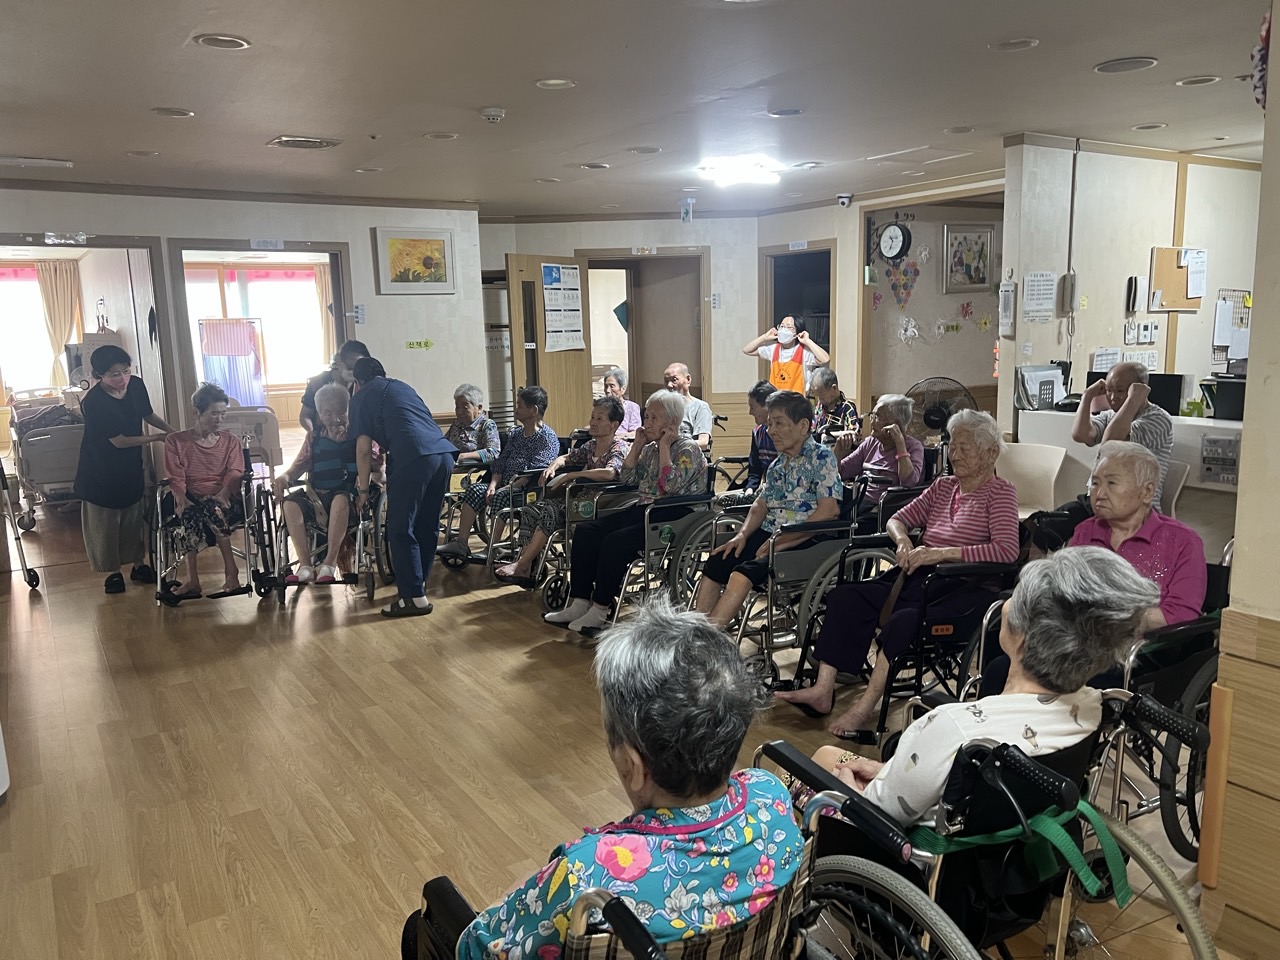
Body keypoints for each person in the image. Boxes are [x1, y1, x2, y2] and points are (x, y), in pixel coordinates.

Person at [401, 596, 805, 960]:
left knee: (423, 925)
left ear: (632, 766)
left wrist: (526, 894)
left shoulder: (590, 880)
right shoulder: (771, 796)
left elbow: (480, 949)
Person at [808, 548, 1159, 828]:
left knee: (820, 760)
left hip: (899, 850)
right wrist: (889, 773)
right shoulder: (1094, 706)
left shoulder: (951, 728)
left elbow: (879, 814)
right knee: (835, 756)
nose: (1005, 604)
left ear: (1022, 638)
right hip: (996, 835)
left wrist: (849, 783)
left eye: (1015, 597)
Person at [776, 409, 1019, 735]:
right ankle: (822, 691)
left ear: (990, 453)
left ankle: (863, 709)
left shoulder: (1000, 493)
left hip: (963, 589)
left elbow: (1006, 551)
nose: (955, 454)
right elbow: (897, 519)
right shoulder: (943, 486)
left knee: (904, 621)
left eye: (965, 447)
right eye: (952, 445)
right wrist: (903, 541)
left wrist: (941, 554)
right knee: (846, 596)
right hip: (918, 578)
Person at [545, 390, 707, 634]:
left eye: (653, 418)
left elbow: (670, 486)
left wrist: (665, 446)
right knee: (586, 531)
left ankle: (600, 610)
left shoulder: (688, 449)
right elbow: (628, 478)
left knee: (615, 542)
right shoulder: (649, 449)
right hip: (646, 508)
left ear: (672, 422)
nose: (647, 423)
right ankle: (579, 602)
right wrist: (638, 446)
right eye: (646, 416)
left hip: (676, 512)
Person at [692, 390, 842, 628]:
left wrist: (783, 540)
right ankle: (695, 631)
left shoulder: (822, 459)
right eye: (770, 423)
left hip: (807, 539)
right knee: (718, 561)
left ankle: (707, 638)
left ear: (803, 426)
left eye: (779, 423)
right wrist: (742, 535)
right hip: (771, 534)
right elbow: (760, 504)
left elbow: (829, 511)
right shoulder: (777, 464)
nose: (771, 430)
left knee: (741, 575)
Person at [350, 357, 457, 617]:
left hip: (413, 458)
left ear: (357, 381)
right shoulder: (403, 387)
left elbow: (363, 450)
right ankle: (418, 586)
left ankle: (412, 597)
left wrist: (362, 491)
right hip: (443, 456)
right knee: (427, 524)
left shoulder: (361, 397)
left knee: (400, 528)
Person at [494, 396, 629, 587]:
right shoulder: (591, 446)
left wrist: (571, 475)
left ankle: (522, 564)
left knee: (550, 510)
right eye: (592, 417)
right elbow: (566, 457)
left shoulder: (619, 447)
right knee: (531, 509)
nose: (592, 422)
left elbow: (610, 473)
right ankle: (526, 564)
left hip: (601, 503)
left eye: (599, 419)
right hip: (578, 499)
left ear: (614, 425)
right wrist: (553, 466)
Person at [1069, 440, 1206, 628]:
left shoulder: (1182, 541)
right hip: (1083, 639)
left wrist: (1107, 616)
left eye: (1111, 483)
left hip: (1150, 644)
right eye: (1095, 483)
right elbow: (1065, 597)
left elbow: (1181, 616)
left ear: (1147, 492)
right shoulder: (1085, 531)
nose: (1099, 493)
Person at [73, 345, 176, 594]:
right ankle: (113, 573)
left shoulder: (136, 386)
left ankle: (138, 565)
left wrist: (173, 433)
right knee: (106, 523)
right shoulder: (94, 402)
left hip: (130, 463)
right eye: (114, 374)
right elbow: (118, 441)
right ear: (99, 375)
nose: (123, 379)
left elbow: (148, 415)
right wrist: (157, 438)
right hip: (100, 467)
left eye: (126, 371)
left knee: (133, 515)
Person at [437, 386, 560, 559]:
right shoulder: (516, 434)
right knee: (474, 490)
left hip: (527, 489)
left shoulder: (547, 437)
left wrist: (508, 487)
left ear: (533, 410)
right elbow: (501, 461)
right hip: (504, 483)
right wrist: (493, 485)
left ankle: (492, 548)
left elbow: (534, 471)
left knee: (502, 496)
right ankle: (461, 543)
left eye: (520, 405)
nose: (516, 409)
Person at [272, 383, 360, 584]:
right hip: (317, 498)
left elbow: (377, 465)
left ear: (349, 410)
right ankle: (305, 566)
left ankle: (329, 564)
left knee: (340, 499)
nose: (335, 419)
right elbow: (299, 465)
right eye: (328, 413)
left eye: (341, 412)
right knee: (290, 504)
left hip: (349, 499)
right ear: (319, 415)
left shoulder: (359, 436)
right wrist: (285, 477)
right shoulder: (314, 437)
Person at [163, 383, 245, 600]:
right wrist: (181, 498)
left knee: (212, 506)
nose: (219, 419)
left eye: (223, 414)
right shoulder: (175, 441)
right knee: (190, 513)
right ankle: (193, 580)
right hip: (191, 496)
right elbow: (175, 475)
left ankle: (231, 571)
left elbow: (235, 471)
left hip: (223, 499)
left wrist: (225, 493)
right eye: (214, 414)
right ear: (196, 413)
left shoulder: (230, 442)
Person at [1068, 361, 1174, 519]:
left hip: (1135, 508)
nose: (1112, 397)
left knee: (1062, 527)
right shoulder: (1112, 416)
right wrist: (1087, 396)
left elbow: (1111, 444)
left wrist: (1134, 399)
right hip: (1101, 501)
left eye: (1119, 390)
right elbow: (1080, 434)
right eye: (1109, 390)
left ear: (1139, 389)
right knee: (1043, 524)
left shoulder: (1158, 419)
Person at [835, 394, 925, 519]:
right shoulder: (871, 442)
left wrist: (900, 443)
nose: (872, 421)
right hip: (859, 502)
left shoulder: (914, 446)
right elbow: (842, 472)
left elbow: (909, 483)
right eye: (872, 415)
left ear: (896, 424)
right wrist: (838, 450)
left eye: (878, 417)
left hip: (884, 509)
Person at [718, 381, 778, 508]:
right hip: (763, 487)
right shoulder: (757, 433)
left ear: (767, 406)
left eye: (753, 407)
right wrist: (750, 488)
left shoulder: (785, 433)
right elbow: (755, 468)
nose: (750, 412)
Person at [741, 316, 830, 393]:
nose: (784, 329)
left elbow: (825, 359)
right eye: (782, 326)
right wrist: (764, 337)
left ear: (797, 333)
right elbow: (747, 350)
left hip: (797, 401)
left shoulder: (804, 351)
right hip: (775, 400)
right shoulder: (773, 349)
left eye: (789, 327)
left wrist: (807, 341)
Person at [300, 339, 369, 434]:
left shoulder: (362, 385)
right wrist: (311, 432)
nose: (355, 371)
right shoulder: (317, 383)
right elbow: (305, 415)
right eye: (351, 367)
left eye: (359, 367)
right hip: (322, 436)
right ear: (339, 361)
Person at [662, 362, 714, 450]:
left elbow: (703, 442)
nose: (669, 385)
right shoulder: (661, 407)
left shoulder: (700, 407)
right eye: (666, 381)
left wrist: (677, 446)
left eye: (674, 380)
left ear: (688, 379)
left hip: (687, 455)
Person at [446, 383, 501, 466]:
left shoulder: (487, 425)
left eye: (465, 408)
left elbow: (493, 452)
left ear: (479, 408)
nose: (459, 412)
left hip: (474, 469)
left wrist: (462, 456)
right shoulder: (457, 424)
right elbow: (444, 444)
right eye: (457, 407)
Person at [810, 367, 860, 441]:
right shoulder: (821, 405)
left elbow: (855, 434)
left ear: (834, 388)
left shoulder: (847, 408)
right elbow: (813, 429)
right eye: (817, 395)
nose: (819, 399)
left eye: (822, 395)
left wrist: (830, 436)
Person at [602, 367, 643, 439]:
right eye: (606, 386)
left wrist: (621, 436)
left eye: (612, 386)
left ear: (623, 389)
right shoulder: (602, 407)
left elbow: (635, 432)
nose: (607, 390)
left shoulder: (632, 407)